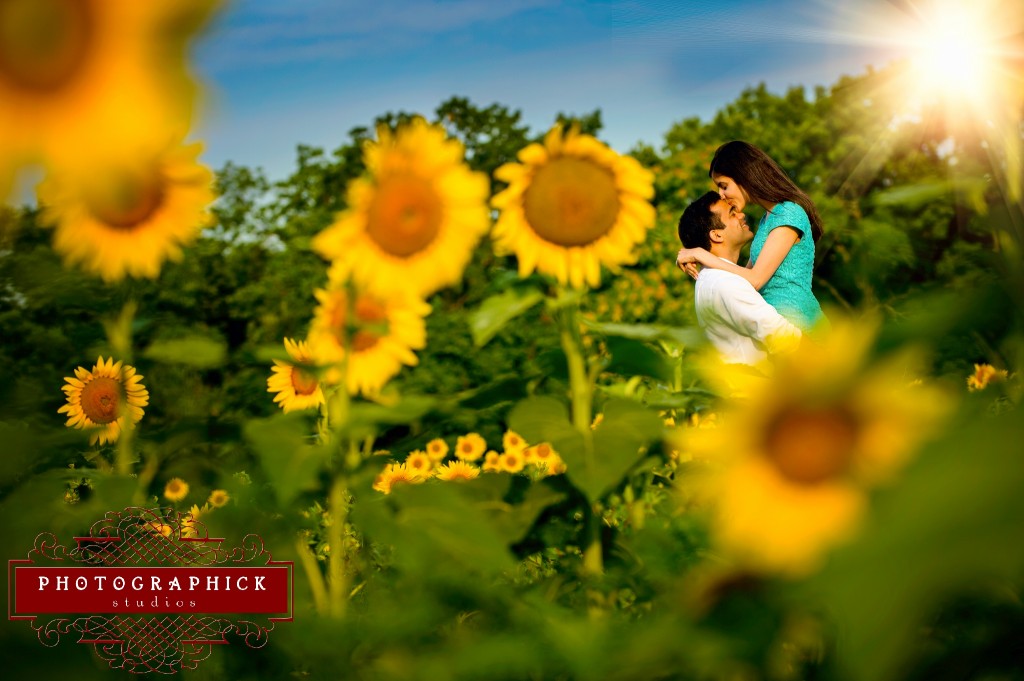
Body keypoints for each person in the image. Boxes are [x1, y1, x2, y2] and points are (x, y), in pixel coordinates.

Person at [675, 141, 825, 331]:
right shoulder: (766, 220)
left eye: (724, 186)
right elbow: (742, 281)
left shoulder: (789, 213)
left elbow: (755, 279)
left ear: (743, 177)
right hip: (776, 328)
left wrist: (701, 254)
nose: (721, 195)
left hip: (801, 326)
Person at [677, 191, 802, 366]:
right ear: (717, 235)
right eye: (732, 214)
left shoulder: (713, 277)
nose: (742, 215)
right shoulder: (725, 281)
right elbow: (783, 337)